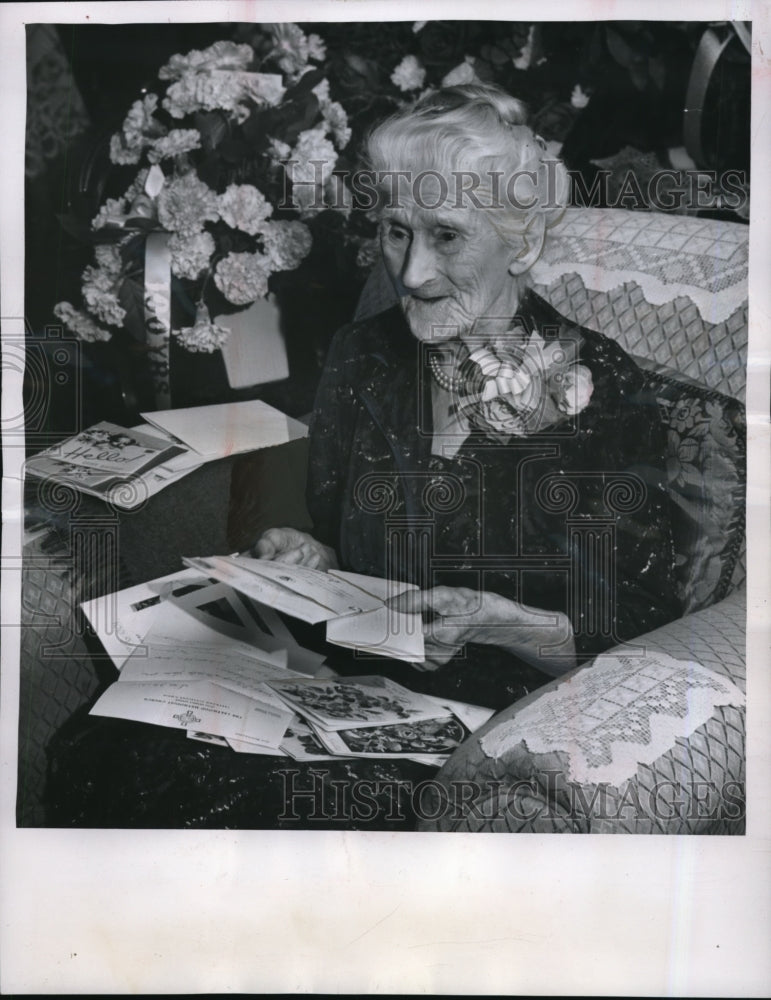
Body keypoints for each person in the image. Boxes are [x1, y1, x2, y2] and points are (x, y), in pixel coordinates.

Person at [254, 83, 680, 707]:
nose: (412, 273)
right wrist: (314, 556)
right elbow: (348, 544)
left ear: (524, 244)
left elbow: (647, 629)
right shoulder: (361, 354)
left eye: (447, 237)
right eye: (397, 232)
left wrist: (506, 622)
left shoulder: (598, 386)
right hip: (348, 685)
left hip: (506, 719)